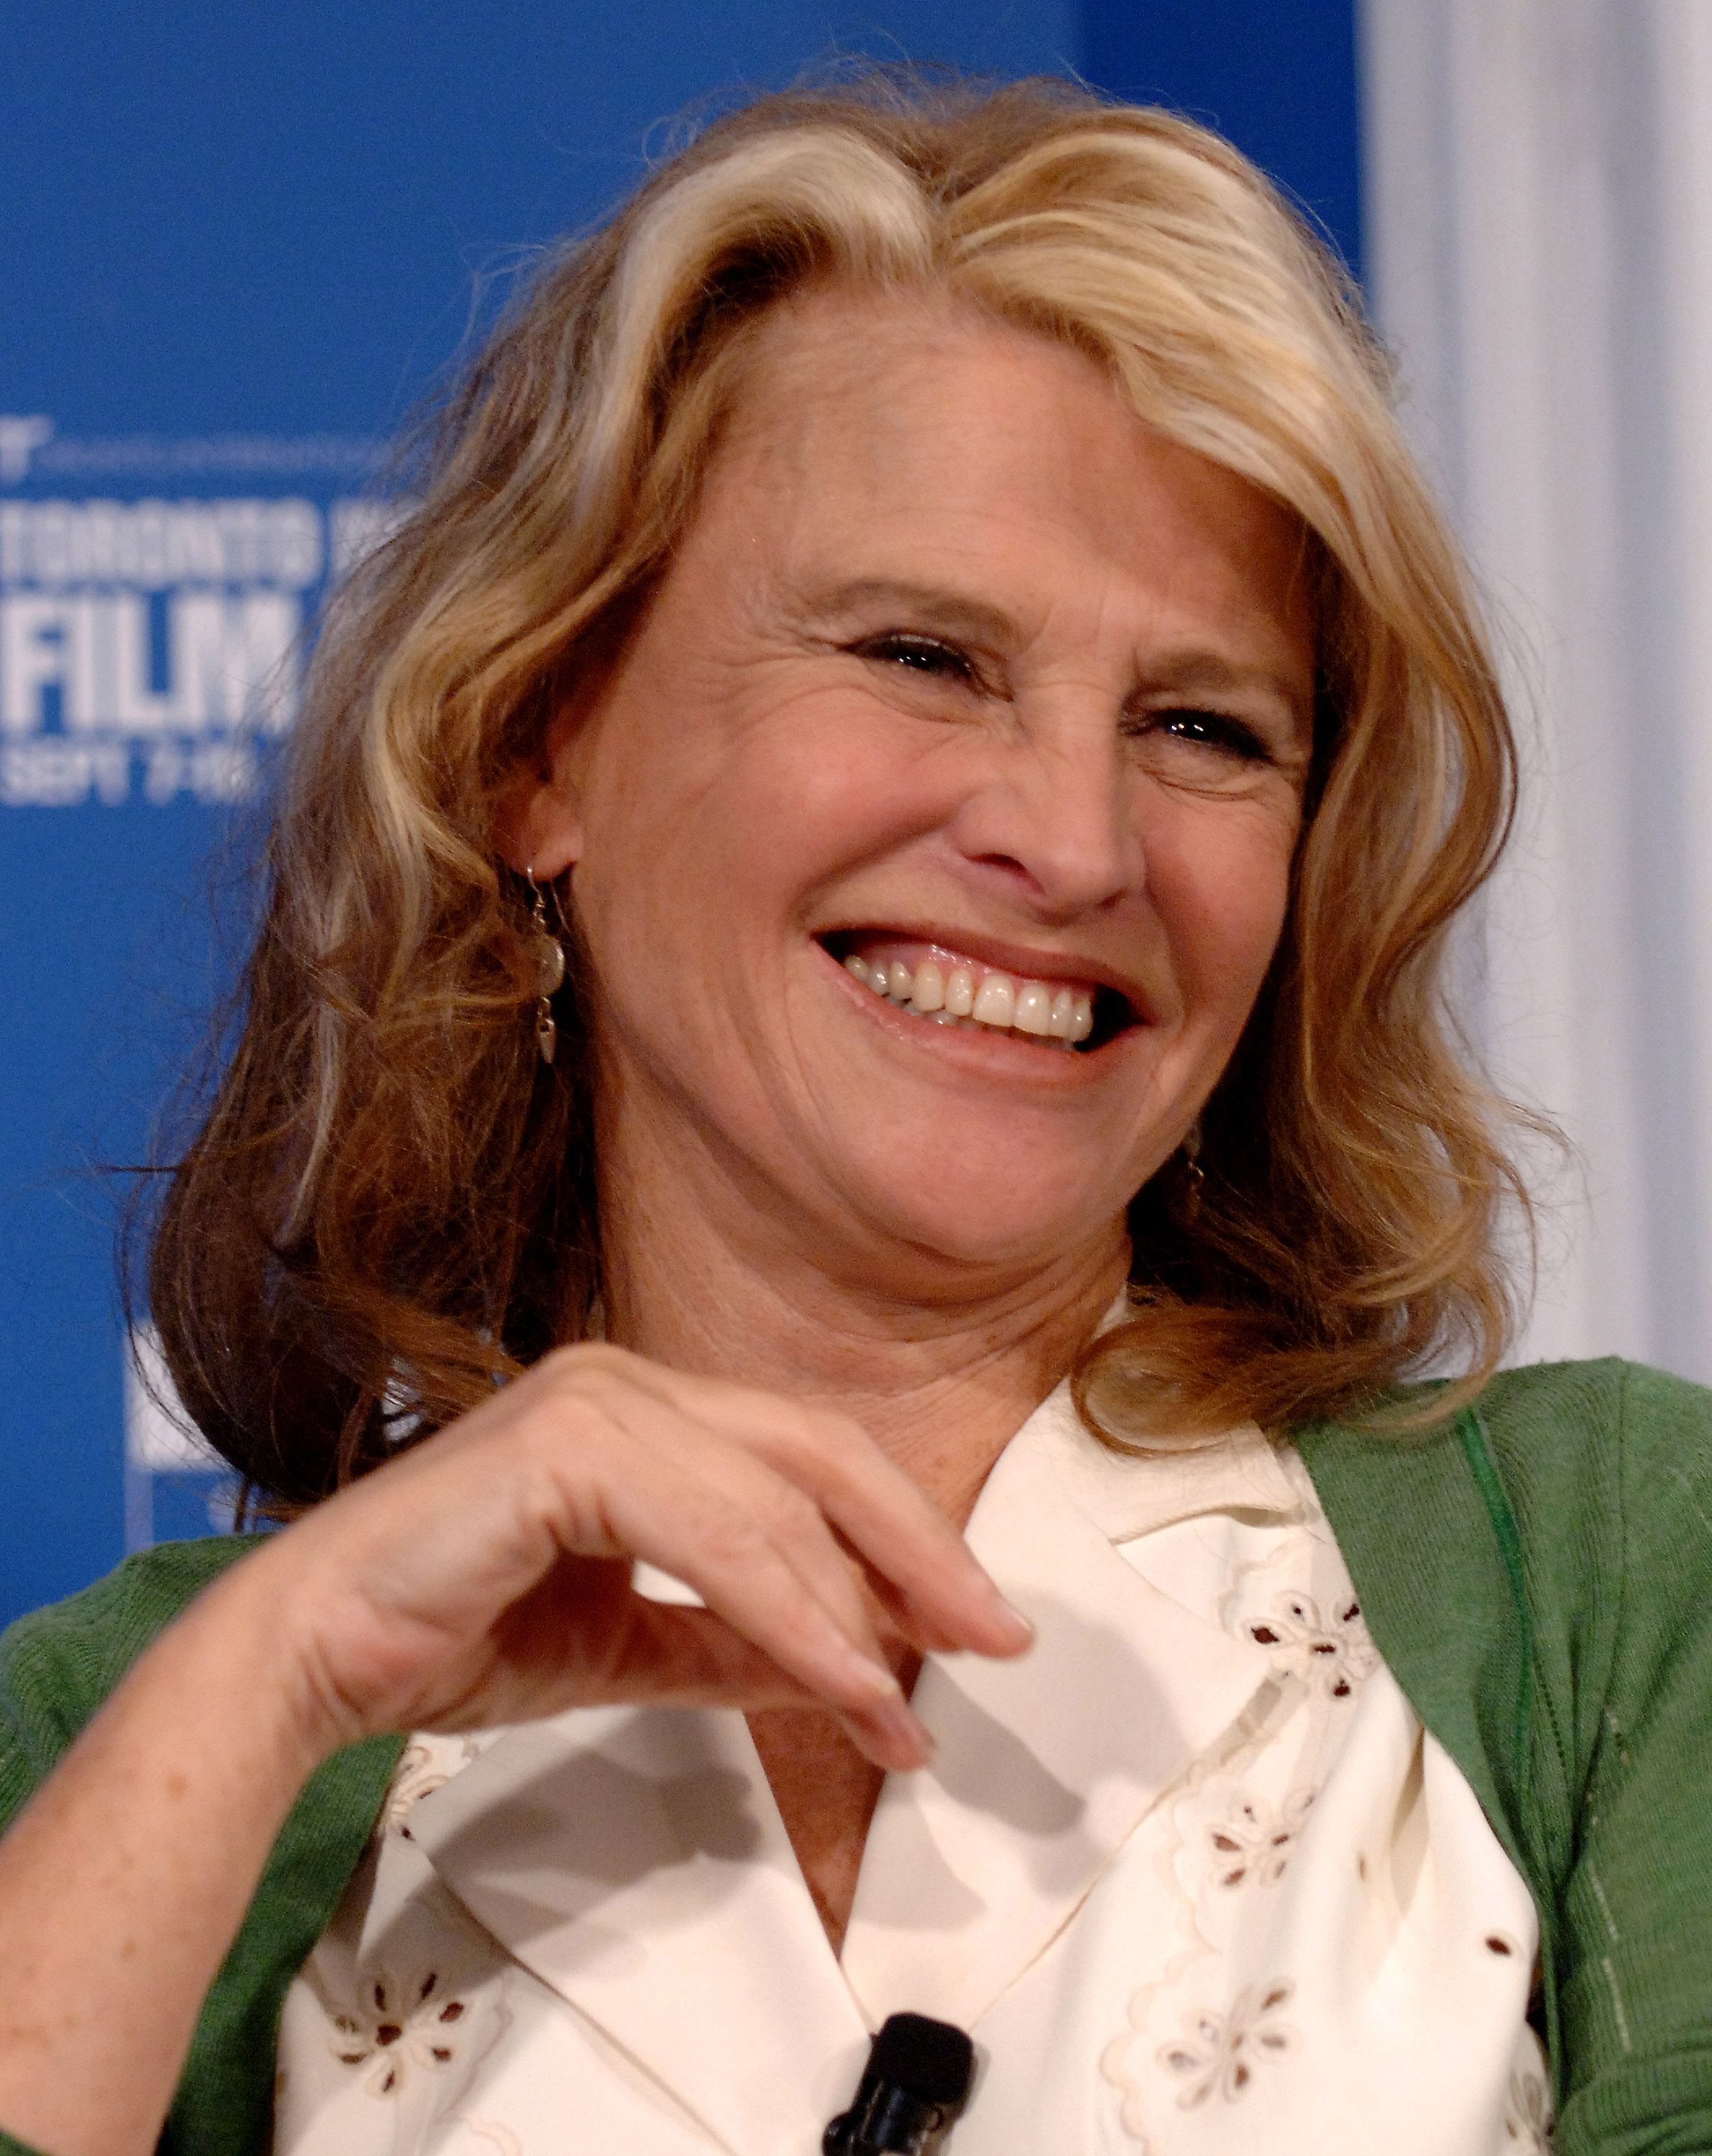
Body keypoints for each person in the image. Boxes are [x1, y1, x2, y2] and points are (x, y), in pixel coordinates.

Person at [0, 73, 1707, 2156]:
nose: (1075, 843)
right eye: (922, 655)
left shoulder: (1618, 1578)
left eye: (1202, 724)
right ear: (539, 746)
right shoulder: (128, 1740)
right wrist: (272, 1679)